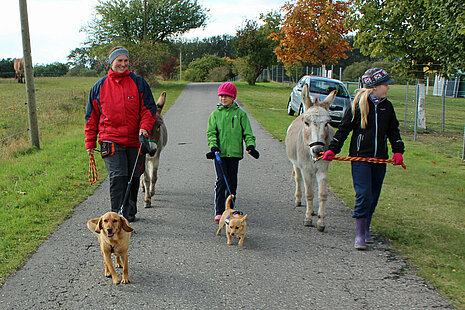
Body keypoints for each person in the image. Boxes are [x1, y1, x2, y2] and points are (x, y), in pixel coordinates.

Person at [322, 68, 405, 250]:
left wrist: (398, 151)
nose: (387, 88)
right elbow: (343, 130)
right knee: (363, 194)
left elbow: (393, 131)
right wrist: (333, 150)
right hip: (360, 158)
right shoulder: (357, 105)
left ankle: (366, 230)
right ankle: (359, 234)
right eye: (385, 85)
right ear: (374, 87)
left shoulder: (387, 107)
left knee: (374, 196)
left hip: (380, 159)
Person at [85, 46, 157, 222]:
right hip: (110, 139)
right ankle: (116, 215)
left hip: (135, 139)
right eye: (119, 61)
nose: (123, 64)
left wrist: (145, 128)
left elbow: (149, 109)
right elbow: (91, 117)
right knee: (118, 176)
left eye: (126, 60)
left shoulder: (139, 83)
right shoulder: (99, 87)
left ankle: (129, 212)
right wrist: (90, 142)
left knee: (133, 177)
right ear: (112, 62)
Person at [206, 82, 260, 222]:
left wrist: (250, 146)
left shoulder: (240, 114)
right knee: (221, 181)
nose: (223, 98)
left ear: (233, 97)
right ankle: (219, 210)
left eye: (226, 96)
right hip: (219, 154)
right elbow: (211, 133)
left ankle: (230, 208)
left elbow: (247, 133)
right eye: (221, 96)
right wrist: (213, 147)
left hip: (234, 154)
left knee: (232, 182)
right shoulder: (215, 115)